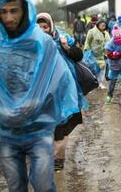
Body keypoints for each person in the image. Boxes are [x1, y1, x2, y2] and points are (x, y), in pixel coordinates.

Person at [0, 0, 80, 191]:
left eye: (14, 10)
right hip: (7, 133)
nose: (9, 17)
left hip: (38, 132)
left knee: (42, 185)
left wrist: (33, 104)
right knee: (16, 186)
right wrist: (0, 110)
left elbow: (59, 81)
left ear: (24, 9)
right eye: (3, 11)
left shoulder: (42, 43)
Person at [37, 12, 88, 171]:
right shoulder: (33, 43)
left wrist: (66, 47)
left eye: (45, 27)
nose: (42, 30)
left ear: (51, 26)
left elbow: (79, 55)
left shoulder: (62, 38)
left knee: (61, 124)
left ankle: (58, 158)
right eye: (39, 27)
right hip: (42, 91)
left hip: (64, 90)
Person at [84, 19, 111, 88]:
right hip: (94, 53)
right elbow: (87, 42)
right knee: (93, 68)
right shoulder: (91, 32)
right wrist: (87, 51)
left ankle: (100, 82)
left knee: (102, 69)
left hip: (103, 54)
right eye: (102, 25)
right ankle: (92, 82)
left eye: (104, 25)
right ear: (98, 25)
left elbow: (109, 43)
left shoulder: (106, 33)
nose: (103, 27)